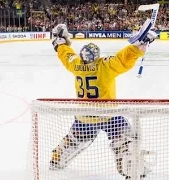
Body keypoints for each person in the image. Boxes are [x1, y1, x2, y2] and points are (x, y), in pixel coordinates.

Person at [49, 23, 157, 179]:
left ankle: (56, 160)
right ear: (97, 57)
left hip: (84, 116)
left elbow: (65, 54)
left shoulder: (76, 64)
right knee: (126, 139)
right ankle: (131, 166)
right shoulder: (104, 66)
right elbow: (122, 59)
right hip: (108, 115)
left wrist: (59, 42)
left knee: (74, 139)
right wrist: (138, 46)